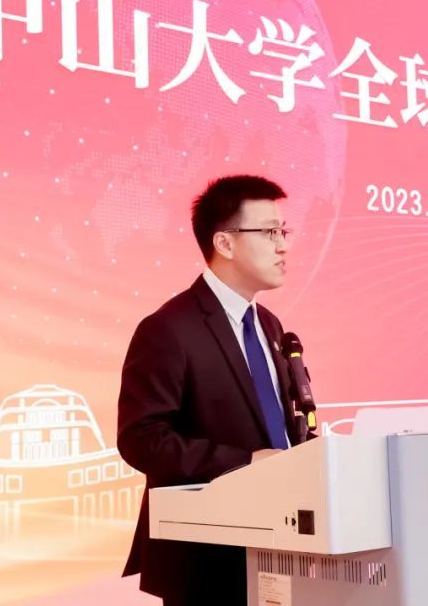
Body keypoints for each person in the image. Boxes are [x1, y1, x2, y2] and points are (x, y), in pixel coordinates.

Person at [117, 174, 304, 606]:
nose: (283, 246)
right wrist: (245, 463)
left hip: (277, 543)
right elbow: (141, 438)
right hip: (205, 559)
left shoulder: (270, 325)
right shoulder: (168, 328)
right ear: (225, 243)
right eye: (269, 232)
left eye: (284, 232)